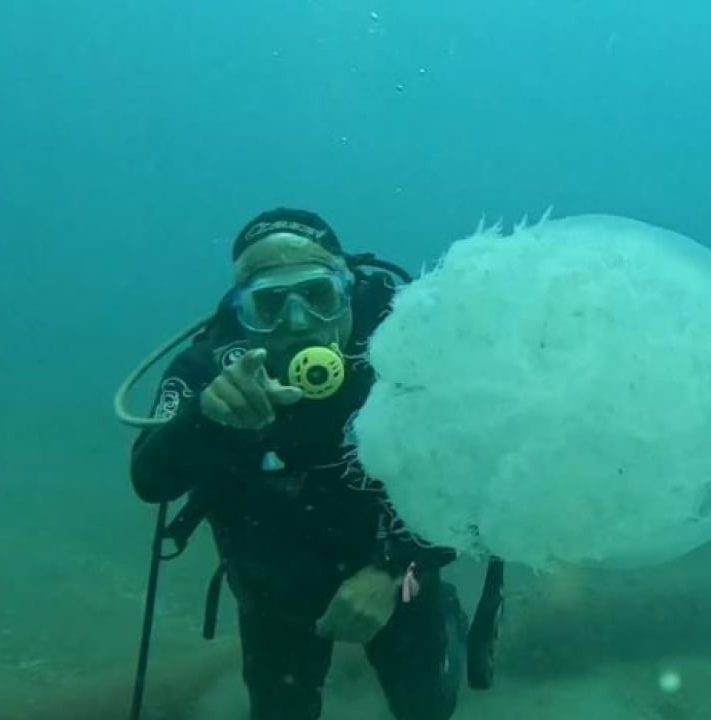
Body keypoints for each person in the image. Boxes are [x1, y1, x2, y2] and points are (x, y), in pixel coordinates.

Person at [129, 207, 466, 720]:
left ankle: (441, 621)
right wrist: (207, 418)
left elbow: (472, 474)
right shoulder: (209, 365)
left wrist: (395, 569)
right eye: (269, 305)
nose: (299, 323)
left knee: (426, 706)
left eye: (317, 296)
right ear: (242, 311)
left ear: (348, 287)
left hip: (401, 576)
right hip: (274, 587)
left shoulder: (405, 351)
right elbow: (150, 480)